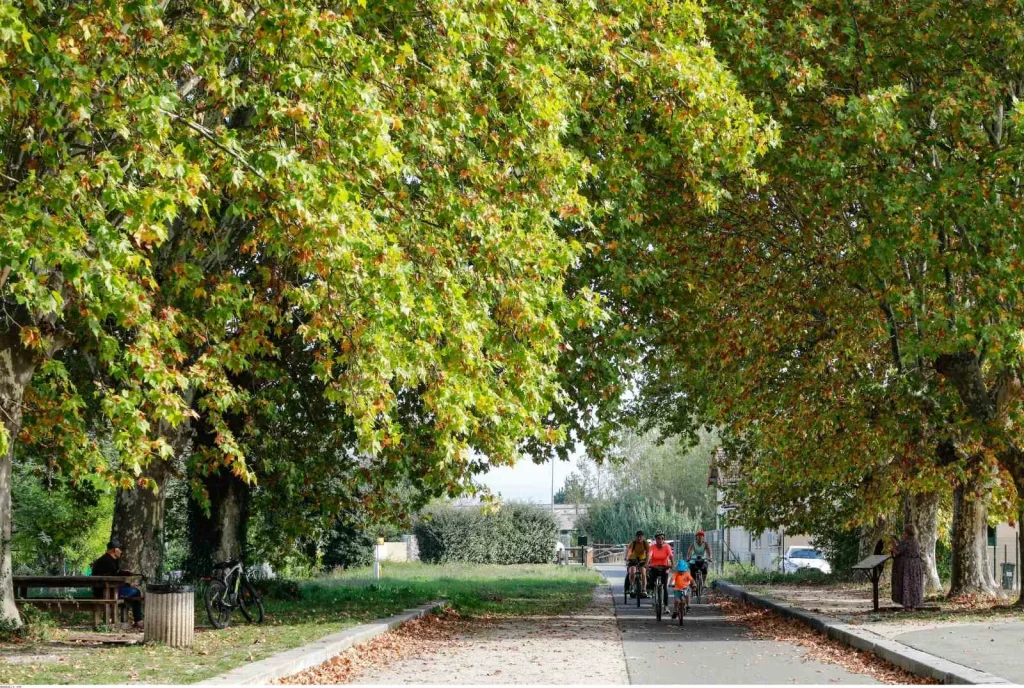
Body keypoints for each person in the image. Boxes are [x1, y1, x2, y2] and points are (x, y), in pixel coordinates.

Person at [91, 538, 143, 628]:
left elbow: (113, 573)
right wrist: (127, 583)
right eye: (119, 549)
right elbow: (113, 579)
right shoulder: (109, 561)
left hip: (100, 591)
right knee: (136, 592)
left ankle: (135, 620)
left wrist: (123, 574)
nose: (121, 551)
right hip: (108, 592)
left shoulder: (104, 560)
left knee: (131, 591)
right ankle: (138, 621)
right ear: (115, 550)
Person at [891, 523, 924, 610]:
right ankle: (913, 604)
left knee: (906, 584)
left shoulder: (906, 542)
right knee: (914, 585)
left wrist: (893, 545)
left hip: (907, 567)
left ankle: (907, 605)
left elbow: (897, 552)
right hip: (916, 566)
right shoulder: (916, 541)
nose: (903, 534)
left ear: (907, 533)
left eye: (904, 532)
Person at [647, 532, 674, 612]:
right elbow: (649, 555)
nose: (660, 540)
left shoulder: (667, 547)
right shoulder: (652, 547)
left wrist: (672, 564)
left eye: (662, 538)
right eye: (658, 538)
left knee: (665, 587)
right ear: (656, 539)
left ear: (664, 539)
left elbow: (671, 556)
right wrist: (646, 564)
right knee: (651, 582)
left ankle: (666, 606)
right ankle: (652, 593)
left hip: (664, 567)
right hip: (654, 567)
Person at [626, 530, 650, 597]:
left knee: (643, 573)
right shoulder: (632, 543)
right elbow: (629, 552)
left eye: (641, 537)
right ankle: (632, 587)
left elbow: (648, 554)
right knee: (632, 572)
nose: (639, 538)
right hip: (633, 559)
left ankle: (644, 590)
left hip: (642, 560)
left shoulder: (645, 543)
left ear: (643, 537)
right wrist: (627, 558)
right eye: (638, 537)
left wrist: (646, 563)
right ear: (636, 537)